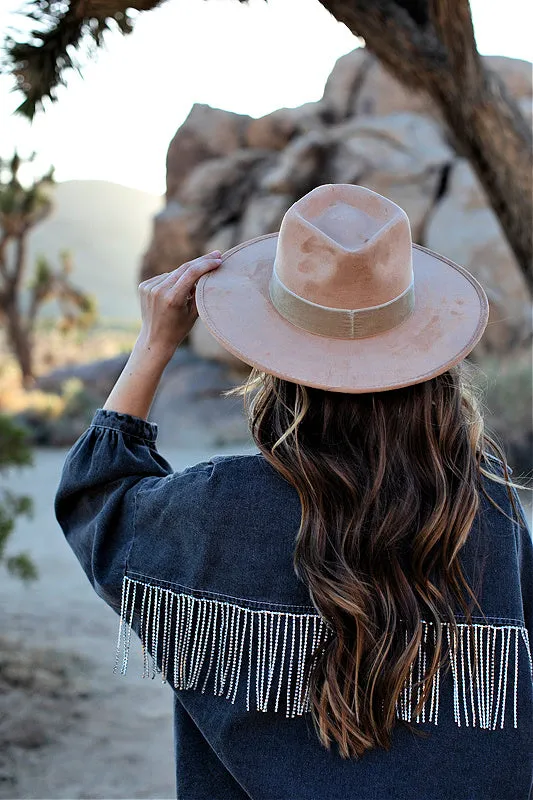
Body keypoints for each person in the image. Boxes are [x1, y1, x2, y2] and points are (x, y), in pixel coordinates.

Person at [55, 184, 533, 800]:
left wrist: (153, 345)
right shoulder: (485, 509)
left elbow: (96, 501)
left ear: (274, 357)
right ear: (426, 360)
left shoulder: (219, 507)